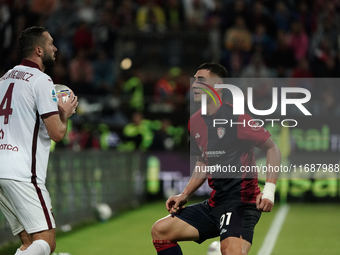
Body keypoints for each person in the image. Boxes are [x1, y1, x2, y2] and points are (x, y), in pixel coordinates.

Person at [151, 63, 281, 255]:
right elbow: (203, 163)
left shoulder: (237, 118)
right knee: (160, 231)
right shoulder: (194, 122)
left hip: (241, 203)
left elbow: (272, 148)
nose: (194, 84)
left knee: (231, 252)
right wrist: (184, 195)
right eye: (195, 79)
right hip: (215, 204)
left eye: (201, 80)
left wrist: (269, 190)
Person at [0, 26, 78, 255]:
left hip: (1, 169)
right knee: (46, 242)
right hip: (23, 172)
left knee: (28, 242)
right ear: (38, 50)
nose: (55, 48)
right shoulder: (41, 80)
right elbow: (57, 134)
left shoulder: (4, 79)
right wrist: (64, 113)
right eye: (51, 43)